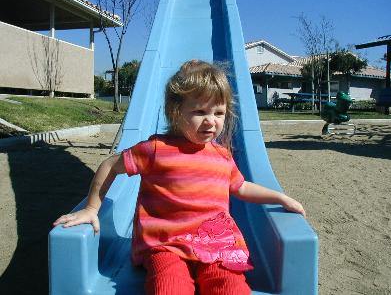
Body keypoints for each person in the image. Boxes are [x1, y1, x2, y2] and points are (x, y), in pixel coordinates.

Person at [53, 60, 306, 295]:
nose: (211, 121)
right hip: (167, 243)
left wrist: (280, 198)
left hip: (215, 243)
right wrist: (91, 207)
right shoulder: (155, 150)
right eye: (199, 111)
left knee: (231, 287)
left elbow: (240, 186)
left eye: (218, 113)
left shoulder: (221, 155)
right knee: (169, 286)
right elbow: (110, 165)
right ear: (176, 111)